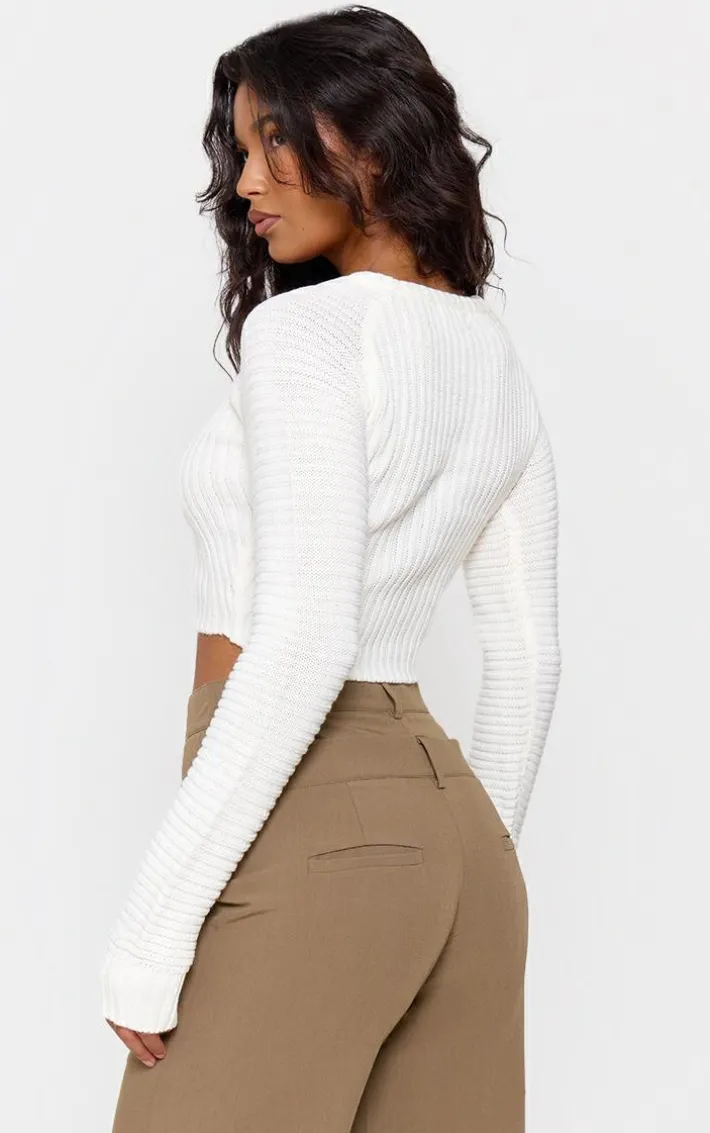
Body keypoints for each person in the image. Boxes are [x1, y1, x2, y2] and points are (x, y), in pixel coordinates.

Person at [100, 7, 562, 1131]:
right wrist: (456, 865)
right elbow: (526, 653)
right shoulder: (491, 353)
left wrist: (152, 928)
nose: (247, 181)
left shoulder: (307, 336)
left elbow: (303, 639)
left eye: (275, 139)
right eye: (240, 150)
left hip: (306, 800)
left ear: (374, 140)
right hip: (464, 845)